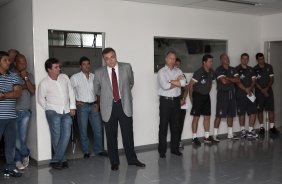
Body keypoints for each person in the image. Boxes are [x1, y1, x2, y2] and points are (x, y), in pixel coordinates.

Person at [94, 47, 145, 171]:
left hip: (124, 105)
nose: (110, 61)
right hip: (108, 107)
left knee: (128, 135)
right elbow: (96, 90)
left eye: (112, 57)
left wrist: (123, 94)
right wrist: (108, 96)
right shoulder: (99, 72)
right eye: (107, 59)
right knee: (111, 137)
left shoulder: (126, 67)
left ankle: (132, 160)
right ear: (104, 60)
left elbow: (131, 83)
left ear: (116, 56)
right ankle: (114, 162)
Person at [38, 58, 76, 169]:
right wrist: (48, 108)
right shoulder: (44, 83)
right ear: (49, 69)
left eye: (59, 66)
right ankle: (62, 159)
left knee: (66, 134)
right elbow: (40, 99)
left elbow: (71, 92)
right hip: (52, 111)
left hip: (66, 110)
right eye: (56, 67)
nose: (59, 68)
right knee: (56, 134)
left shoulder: (64, 78)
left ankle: (56, 159)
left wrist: (72, 107)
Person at [70, 56, 107, 159]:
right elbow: (69, 91)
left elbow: (99, 92)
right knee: (83, 130)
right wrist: (74, 103)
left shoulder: (94, 76)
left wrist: (98, 105)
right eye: (84, 64)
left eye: (88, 64)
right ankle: (86, 151)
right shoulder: (75, 77)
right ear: (80, 66)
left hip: (94, 106)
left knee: (98, 129)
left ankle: (99, 150)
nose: (86, 66)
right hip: (82, 107)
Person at [157, 51, 185, 158]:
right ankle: (162, 151)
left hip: (176, 101)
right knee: (163, 127)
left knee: (175, 127)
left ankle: (174, 149)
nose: (172, 61)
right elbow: (164, 86)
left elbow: (183, 84)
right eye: (170, 58)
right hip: (165, 101)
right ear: (166, 59)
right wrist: (175, 82)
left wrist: (170, 81)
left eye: (174, 59)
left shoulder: (179, 70)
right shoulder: (161, 72)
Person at [0, 51, 22, 177]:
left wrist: (2, 95)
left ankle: (10, 168)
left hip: (11, 117)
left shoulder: (13, 75)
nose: (9, 62)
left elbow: (17, 93)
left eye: (9, 60)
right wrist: (10, 93)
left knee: (10, 144)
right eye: (5, 60)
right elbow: (13, 93)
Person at [189, 54, 217, 146]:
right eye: (210, 61)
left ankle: (206, 137)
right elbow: (190, 85)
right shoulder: (198, 72)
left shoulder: (212, 72)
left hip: (206, 96)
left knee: (207, 117)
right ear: (204, 62)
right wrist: (191, 99)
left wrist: (207, 92)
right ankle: (194, 138)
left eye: (212, 61)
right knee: (196, 118)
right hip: (197, 96)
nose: (211, 63)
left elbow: (210, 83)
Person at [14, 54, 35, 170]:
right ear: (15, 64)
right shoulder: (11, 75)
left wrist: (26, 79)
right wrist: (24, 86)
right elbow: (13, 91)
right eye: (21, 62)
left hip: (25, 111)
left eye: (25, 62)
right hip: (13, 111)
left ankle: (18, 159)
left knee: (21, 138)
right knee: (16, 138)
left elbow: (32, 90)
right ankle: (24, 154)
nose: (24, 64)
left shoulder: (29, 75)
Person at [213, 53, 240, 141]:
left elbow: (238, 80)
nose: (227, 60)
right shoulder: (218, 69)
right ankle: (215, 135)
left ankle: (230, 134)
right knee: (219, 115)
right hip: (222, 94)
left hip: (232, 94)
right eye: (225, 58)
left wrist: (228, 78)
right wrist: (231, 79)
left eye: (228, 58)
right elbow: (223, 82)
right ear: (221, 60)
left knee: (231, 114)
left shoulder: (233, 69)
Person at [254, 53, 279, 135]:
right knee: (260, 110)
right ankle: (261, 127)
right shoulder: (254, 69)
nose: (262, 61)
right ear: (257, 60)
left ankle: (272, 127)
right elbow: (255, 82)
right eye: (260, 59)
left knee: (271, 109)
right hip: (259, 92)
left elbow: (271, 79)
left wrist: (266, 88)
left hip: (268, 91)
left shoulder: (269, 67)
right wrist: (262, 89)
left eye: (263, 59)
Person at [235, 53, 258, 138]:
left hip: (250, 94)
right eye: (243, 58)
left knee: (253, 112)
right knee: (242, 113)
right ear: (241, 59)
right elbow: (237, 82)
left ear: (248, 60)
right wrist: (245, 89)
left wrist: (250, 88)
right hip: (240, 94)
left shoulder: (251, 69)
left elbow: (254, 80)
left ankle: (251, 131)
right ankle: (242, 131)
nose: (245, 60)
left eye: (246, 59)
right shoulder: (236, 69)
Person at [174, 58, 188, 149]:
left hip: (182, 103)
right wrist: (177, 101)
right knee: (174, 124)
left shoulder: (183, 75)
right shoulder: (170, 75)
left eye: (179, 64)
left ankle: (179, 141)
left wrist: (183, 99)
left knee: (181, 123)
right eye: (176, 64)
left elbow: (186, 88)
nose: (177, 66)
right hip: (174, 102)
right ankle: (174, 142)